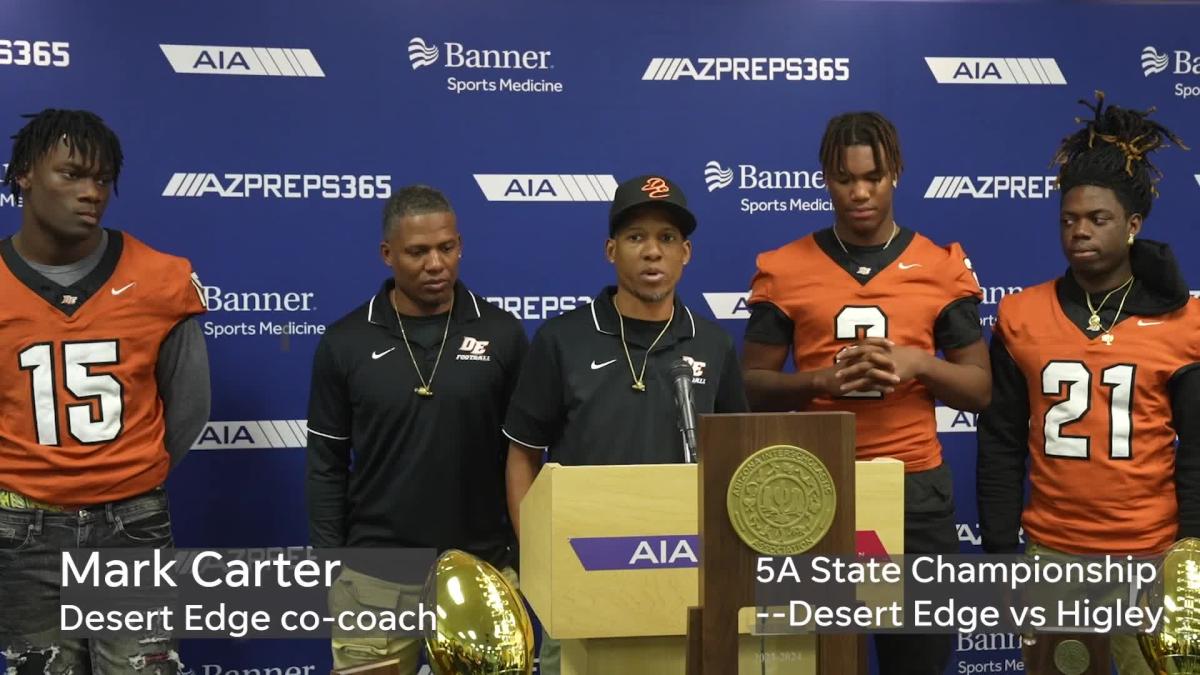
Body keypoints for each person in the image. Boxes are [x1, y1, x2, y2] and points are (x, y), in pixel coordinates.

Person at [741, 112, 991, 674]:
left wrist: (918, 363)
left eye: (873, 177)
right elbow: (750, 387)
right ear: (825, 178)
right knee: (820, 661)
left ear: (896, 173)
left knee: (917, 661)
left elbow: (979, 390)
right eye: (844, 178)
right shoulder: (785, 268)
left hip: (914, 493)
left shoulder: (938, 266)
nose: (859, 192)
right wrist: (818, 382)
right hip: (812, 490)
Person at [977, 92, 1198, 675]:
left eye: (1097, 219)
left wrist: (1190, 556)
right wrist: (1000, 557)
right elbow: (999, 441)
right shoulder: (1021, 315)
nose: (1080, 231)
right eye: (1069, 219)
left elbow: (1197, 450)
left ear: (1132, 225)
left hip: (1149, 554)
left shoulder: (1182, 323)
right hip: (1053, 556)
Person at [503, 175, 749, 675]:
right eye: (637, 238)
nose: (652, 252)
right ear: (611, 250)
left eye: (667, 238)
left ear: (687, 253)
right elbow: (522, 456)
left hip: (684, 576)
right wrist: (542, 561)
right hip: (581, 574)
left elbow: (734, 463)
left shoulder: (713, 345)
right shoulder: (562, 339)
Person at [0, 109, 210, 674]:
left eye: (102, 179)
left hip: (132, 521)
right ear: (22, 174)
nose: (91, 192)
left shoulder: (162, 278)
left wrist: (126, 474)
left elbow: (188, 408)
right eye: (71, 175)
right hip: (21, 526)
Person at [305, 185, 528, 671]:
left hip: (482, 569)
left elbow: (524, 454)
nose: (435, 263)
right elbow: (326, 462)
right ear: (388, 254)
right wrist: (331, 563)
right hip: (375, 576)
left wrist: (521, 555)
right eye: (418, 251)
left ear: (460, 245)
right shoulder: (345, 342)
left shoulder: (503, 334)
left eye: (446, 248)